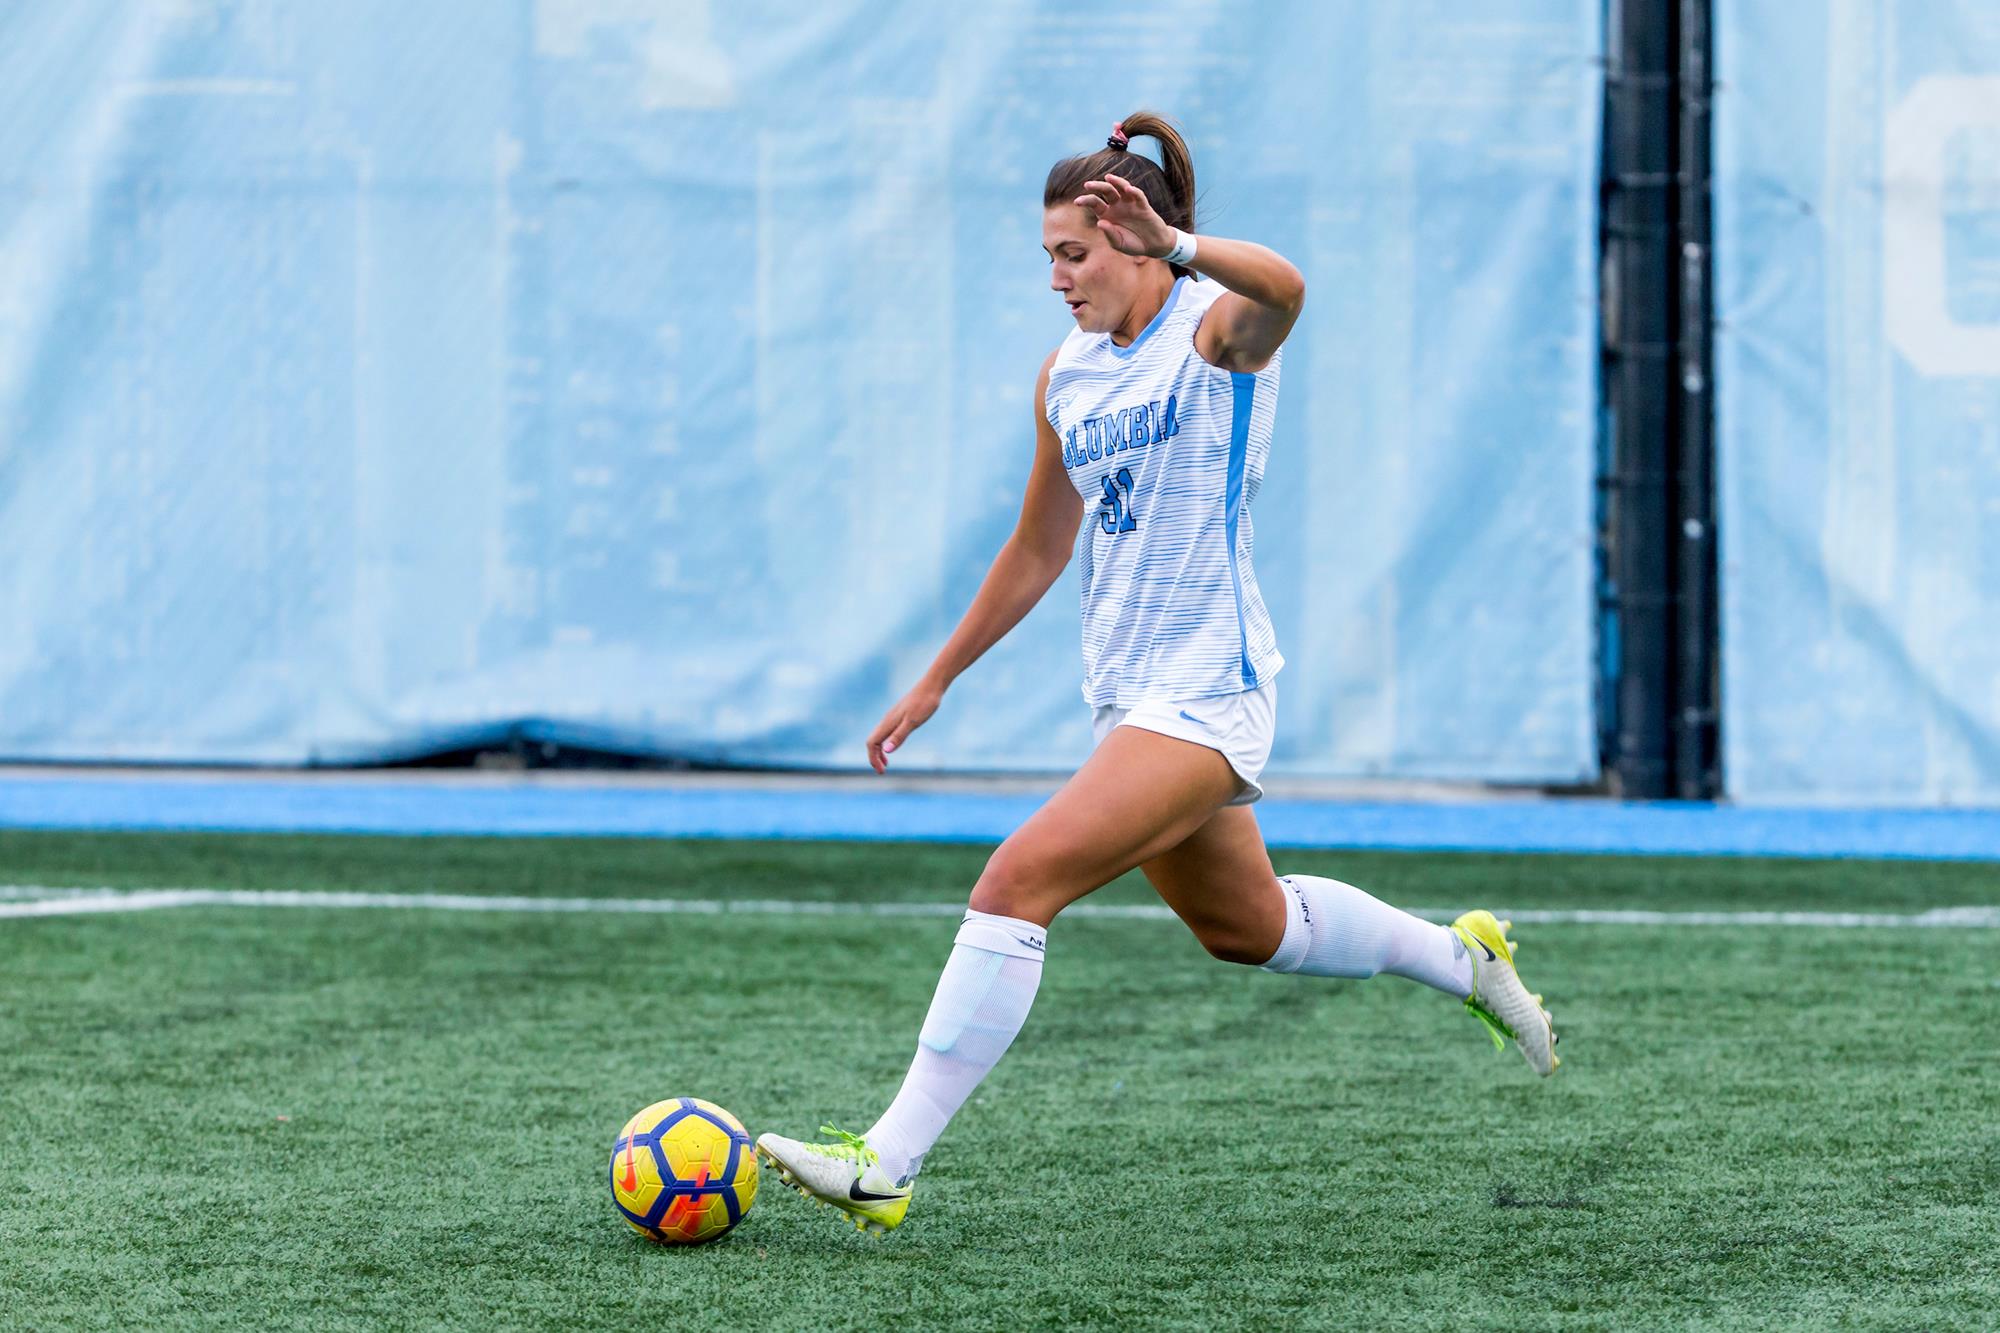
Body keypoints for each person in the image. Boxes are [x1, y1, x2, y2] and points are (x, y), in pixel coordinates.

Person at [756, 112, 1558, 1236]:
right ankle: (1462, 958)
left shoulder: (1212, 332)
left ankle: (883, 1163)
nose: (1054, 277)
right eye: (1046, 255)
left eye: (1071, 252)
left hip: (1208, 690)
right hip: (1132, 700)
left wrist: (1180, 247)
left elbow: (1285, 288)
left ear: (1136, 239)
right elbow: (1039, 544)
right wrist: (938, 676)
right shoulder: (1066, 373)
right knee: (1252, 929)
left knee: (1014, 879)